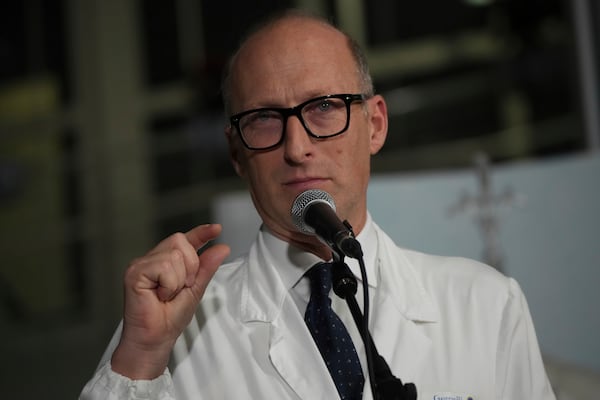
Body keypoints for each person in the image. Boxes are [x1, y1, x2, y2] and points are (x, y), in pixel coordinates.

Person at [80, 9, 556, 400]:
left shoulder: (484, 305)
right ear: (236, 154)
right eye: (265, 118)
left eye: (324, 106)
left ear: (374, 125)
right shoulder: (167, 331)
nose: (297, 147)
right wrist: (141, 359)